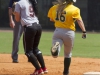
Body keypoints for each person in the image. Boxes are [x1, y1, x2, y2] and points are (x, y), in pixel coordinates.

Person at [47, 0, 86, 75]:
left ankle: (56, 49)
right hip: (69, 33)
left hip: (57, 31)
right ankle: (66, 72)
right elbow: (79, 21)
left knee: (55, 55)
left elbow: (51, 19)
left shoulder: (54, 7)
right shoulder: (75, 9)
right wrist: (84, 31)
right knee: (68, 54)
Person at [14, 0, 48, 75]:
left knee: (28, 51)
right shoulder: (32, 1)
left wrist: (15, 12)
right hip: (38, 26)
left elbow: (17, 19)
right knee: (35, 49)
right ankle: (44, 68)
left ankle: (39, 70)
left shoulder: (19, 3)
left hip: (29, 28)